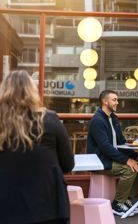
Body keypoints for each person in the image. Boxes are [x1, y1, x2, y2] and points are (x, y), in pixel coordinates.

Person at [0, 70, 74, 224]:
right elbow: (68, 164)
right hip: (48, 206)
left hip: (6, 207)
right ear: (32, 92)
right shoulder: (50, 120)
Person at [87, 89, 138, 217]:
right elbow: (105, 147)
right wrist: (126, 160)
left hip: (111, 158)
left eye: (117, 99)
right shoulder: (97, 120)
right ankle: (117, 204)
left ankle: (126, 199)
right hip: (100, 161)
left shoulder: (113, 118)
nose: (117, 102)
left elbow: (121, 141)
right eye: (114, 100)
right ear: (105, 102)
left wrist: (134, 156)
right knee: (129, 169)